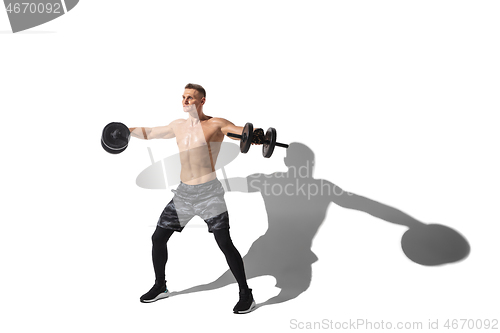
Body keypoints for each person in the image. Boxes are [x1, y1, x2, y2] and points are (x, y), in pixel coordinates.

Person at [128, 83, 260, 314]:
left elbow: (239, 130)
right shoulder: (177, 126)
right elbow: (151, 133)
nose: (185, 101)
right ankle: (160, 286)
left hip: (209, 194)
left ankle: (246, 295)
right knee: (158, 238)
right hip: (183, 194)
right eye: (183, 97)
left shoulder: (216, 124)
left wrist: (257, 135)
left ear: (202, 101)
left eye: (190, 97)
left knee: (224, 243)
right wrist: (125, 130)